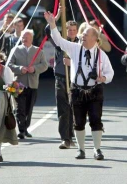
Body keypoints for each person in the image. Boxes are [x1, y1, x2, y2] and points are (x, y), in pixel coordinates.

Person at [44, 11, 114, 160]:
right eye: (82, 34)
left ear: (95, 38)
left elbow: (111, 73)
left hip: (95, 90)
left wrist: (104, 78)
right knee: (78, 122)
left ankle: (97, 149)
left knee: (96, 120)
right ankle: (81, 150)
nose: (82, 36)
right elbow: (58, 41)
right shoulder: (75, 48)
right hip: (77, 90)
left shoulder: (101, 54)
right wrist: (52, 24)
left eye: (86, 34)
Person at [8, 29, 48, 139]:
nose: (24, 39)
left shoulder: (38, 51)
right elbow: (9, 64)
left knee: (28, 109)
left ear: (32, 38)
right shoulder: (15, 50)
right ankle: (21, 129)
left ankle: (25, 128)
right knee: (18, 108)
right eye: (23, 37)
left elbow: (45, 65)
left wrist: (34, 69)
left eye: (27, 37)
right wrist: (20, 68)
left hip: (33, 84)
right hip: (17, 83)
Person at [45, 19, 79, 149]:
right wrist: (56, 18)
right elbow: (48, 31)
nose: (71, 32)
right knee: (63, 109)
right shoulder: (59, 42)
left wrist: (72, 63)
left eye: (74, 30)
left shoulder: (81, 44)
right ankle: (65, 138)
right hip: (61, 78)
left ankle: (72, 135)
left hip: (75, 80)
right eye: (69, 30)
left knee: (73, 110)